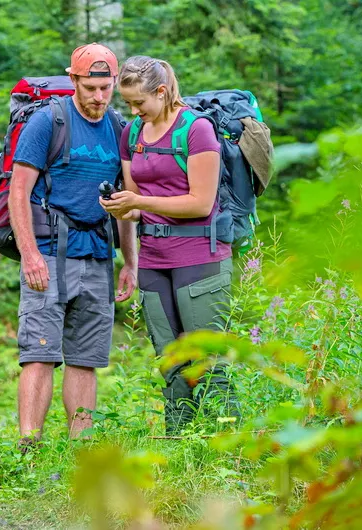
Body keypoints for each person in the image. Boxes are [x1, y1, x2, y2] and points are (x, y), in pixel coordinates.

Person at [101, 55, 239, 435]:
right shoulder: (132, 134)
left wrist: (139, 203)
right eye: (127, 103)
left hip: (200, 257)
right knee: (170, 360)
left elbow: (200, 202)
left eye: (139, 103)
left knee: (207, 359)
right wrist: (119, 207)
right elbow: (134, 201)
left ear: (161, 93)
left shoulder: (196, 131)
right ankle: (181, 447)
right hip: (153, 260)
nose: (133, 110)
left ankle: (228, 447)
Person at [9, 43, 137, 447]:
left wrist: (128, 262)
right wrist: (30, 254)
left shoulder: (118, 127)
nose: (99, 96)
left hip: (99, 255)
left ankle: (81, 451)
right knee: (39, 352)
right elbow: (18, 192)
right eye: (91, 87)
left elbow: (123, 202)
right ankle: (28, 449)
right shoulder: (49, 122)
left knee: (86, 359)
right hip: (49, 253)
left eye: (107, 87)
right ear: (74, 80)